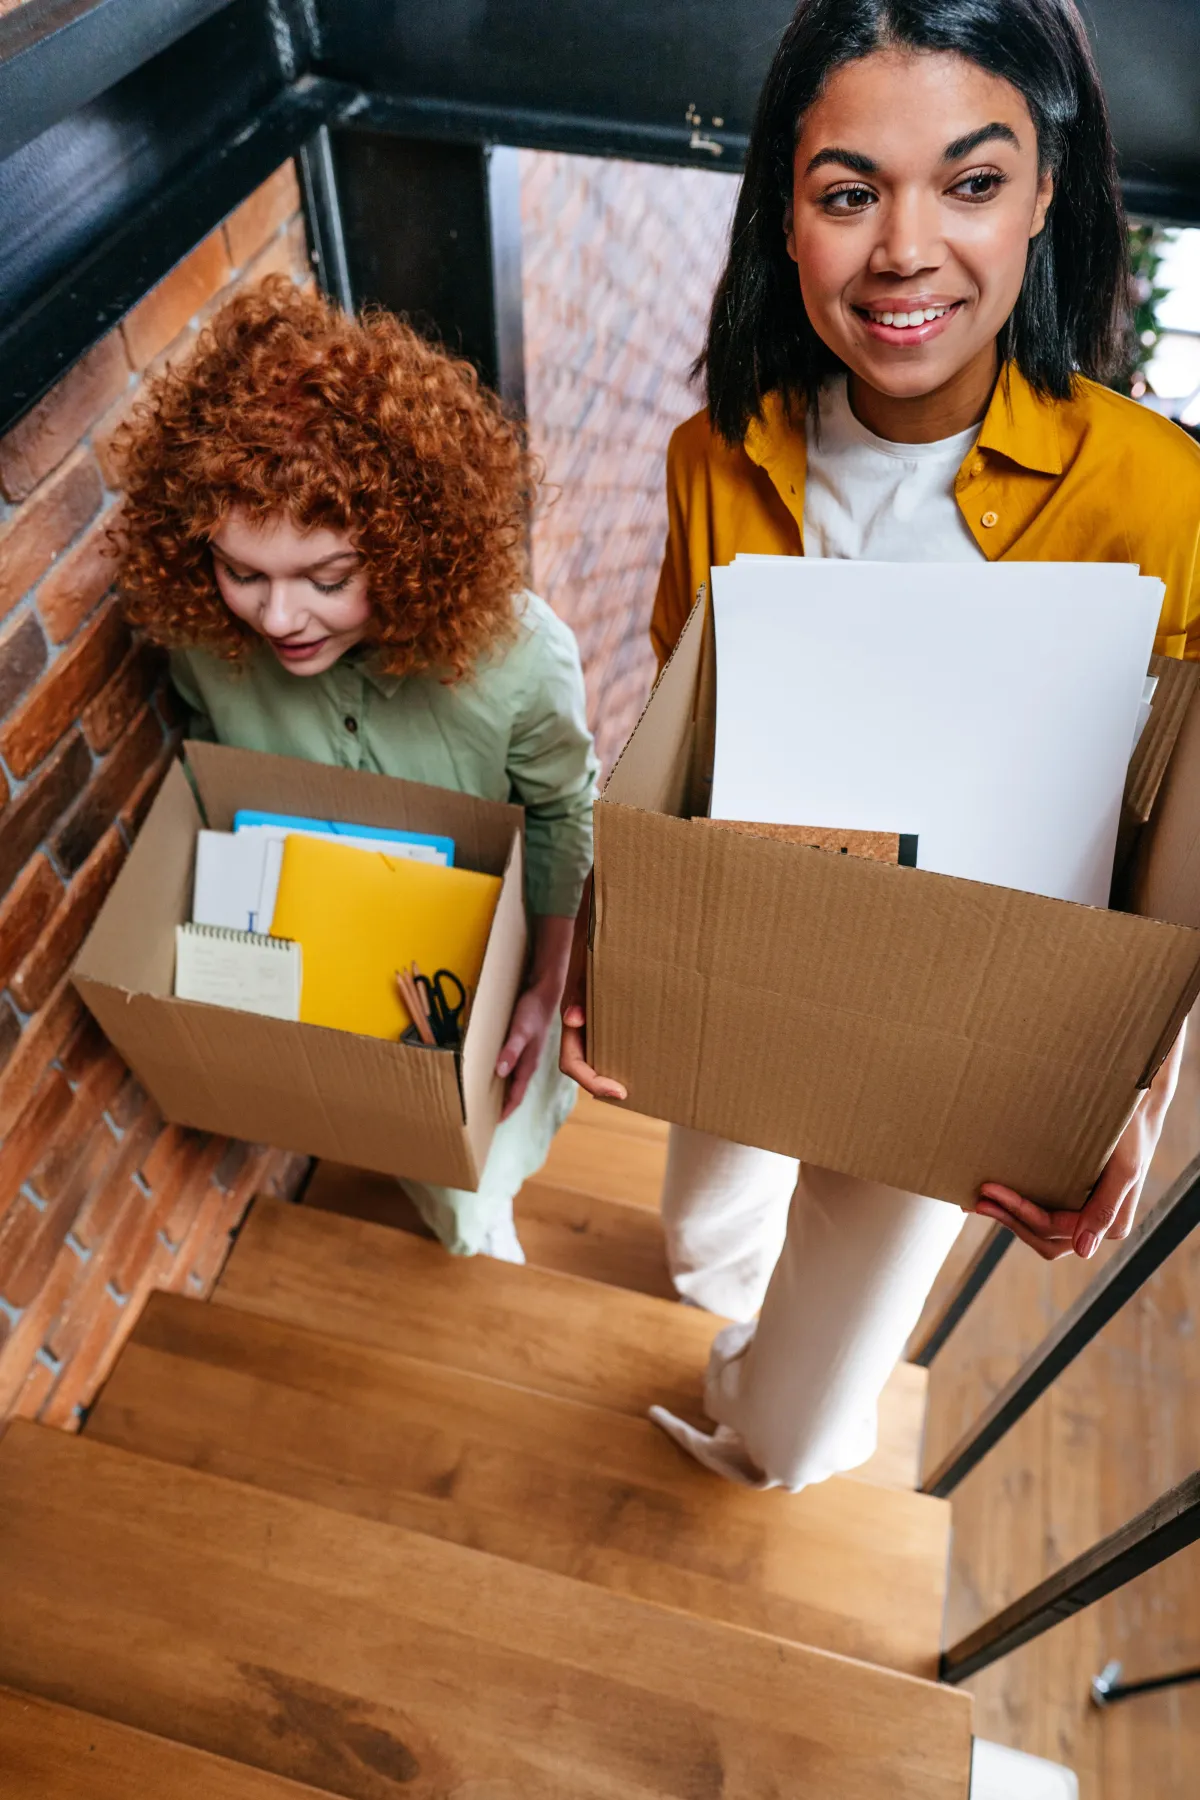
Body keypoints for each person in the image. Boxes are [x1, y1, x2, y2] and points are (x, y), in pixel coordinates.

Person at [562, 0, 1200, 1490]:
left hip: (954, 1010)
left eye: (972, 182)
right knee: (703, 1230)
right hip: (752, 929)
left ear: (1049, 191)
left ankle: (750, 1398)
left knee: (789, 1437)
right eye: (850, 191)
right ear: (786, 212)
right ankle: (714, 1314)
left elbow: (1163, 843)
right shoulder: (712, 455)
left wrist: (1131, 1098)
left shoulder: (1163, 501)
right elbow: (679, 719)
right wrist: (614, 935)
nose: (905, 248)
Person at [115, 277, 598, 1264]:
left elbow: (560, 808)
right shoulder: (205, 648)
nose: (278, 618)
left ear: (409, 546)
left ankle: (481, 1228)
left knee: (474, 1187)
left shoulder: (519, 656)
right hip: (334, 973)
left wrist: (551, 977)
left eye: (327, 579)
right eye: (240, 571)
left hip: (490, 973)